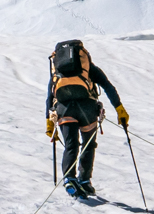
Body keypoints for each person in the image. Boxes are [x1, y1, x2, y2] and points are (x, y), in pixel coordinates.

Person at [45, 39, 128, 198]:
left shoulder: (57, 72)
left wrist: (49, 121)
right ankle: (84, 180)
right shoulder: (88, 67)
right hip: (87, 109)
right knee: (89, 143)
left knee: (71, 144)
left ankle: (69, 178)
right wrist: (120, 109)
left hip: (64, 109)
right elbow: (108, 86)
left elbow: (50, 95)